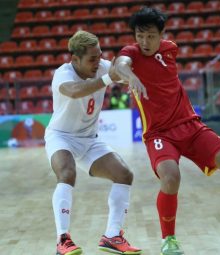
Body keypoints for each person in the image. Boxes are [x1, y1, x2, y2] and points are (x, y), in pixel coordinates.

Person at [114, 6, 220, 255]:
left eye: (150, 36)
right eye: (139, 35)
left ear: (162, 34)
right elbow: (120, 65)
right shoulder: (132, 53)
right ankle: (168, 239)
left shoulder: (170, 49)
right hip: (159, 134)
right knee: (171, 177)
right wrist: (129, 75)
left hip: (191, 125)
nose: (144, 41)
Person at [44, 30, 142, 255]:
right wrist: (110, 78)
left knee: (124, 174)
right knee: (67, 173)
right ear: (75, 59)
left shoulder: (102, 66)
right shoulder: (63, 73)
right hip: (61, 136)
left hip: (89, 139)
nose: (98, 62)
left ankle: (112, 236)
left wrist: (128, 74)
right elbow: (75, 91)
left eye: (99, 56)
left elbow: (121, 67)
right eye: (92, 58)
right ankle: (62, 240)